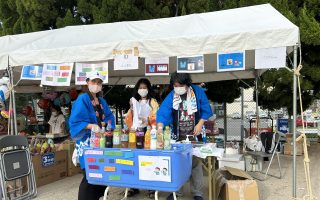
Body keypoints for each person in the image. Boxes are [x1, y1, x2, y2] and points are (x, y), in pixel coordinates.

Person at [156, 72, 213, 200]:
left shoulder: (197, 91)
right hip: (178, 136)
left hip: (195, 134)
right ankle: (177, 192)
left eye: (180, 85)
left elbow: (206, 109)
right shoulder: (172, 95)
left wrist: (200, 123)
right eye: (175, 85)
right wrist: (160, 127)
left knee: (196, 164)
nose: (178, 87)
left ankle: (197, 193)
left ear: (187, 84)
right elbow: (163, 112)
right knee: (177, 164)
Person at [69, 72, 115, 200]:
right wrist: (91, 126)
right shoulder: (83, 98)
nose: (96, 85)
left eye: (99, 82)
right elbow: (75, 121)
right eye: (93, 82)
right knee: (90, 175)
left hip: (100, 143)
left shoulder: (101, 101)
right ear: (87, 82)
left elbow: (110, 117)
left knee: (101, 173)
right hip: (86, 143)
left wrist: (106, 125)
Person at [125, 78, 159, 198]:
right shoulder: (134, 101)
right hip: (136, 132)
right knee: (134, 158)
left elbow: (157, 116)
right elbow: (129, 117)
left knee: (149, 158)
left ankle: (151, 187)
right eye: (140, 87)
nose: (142, 90)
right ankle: (133, 186)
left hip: (149, 132)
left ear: (148, 89)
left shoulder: (152, 102)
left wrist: (148, 120)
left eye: (145, 87)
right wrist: (130, 126)